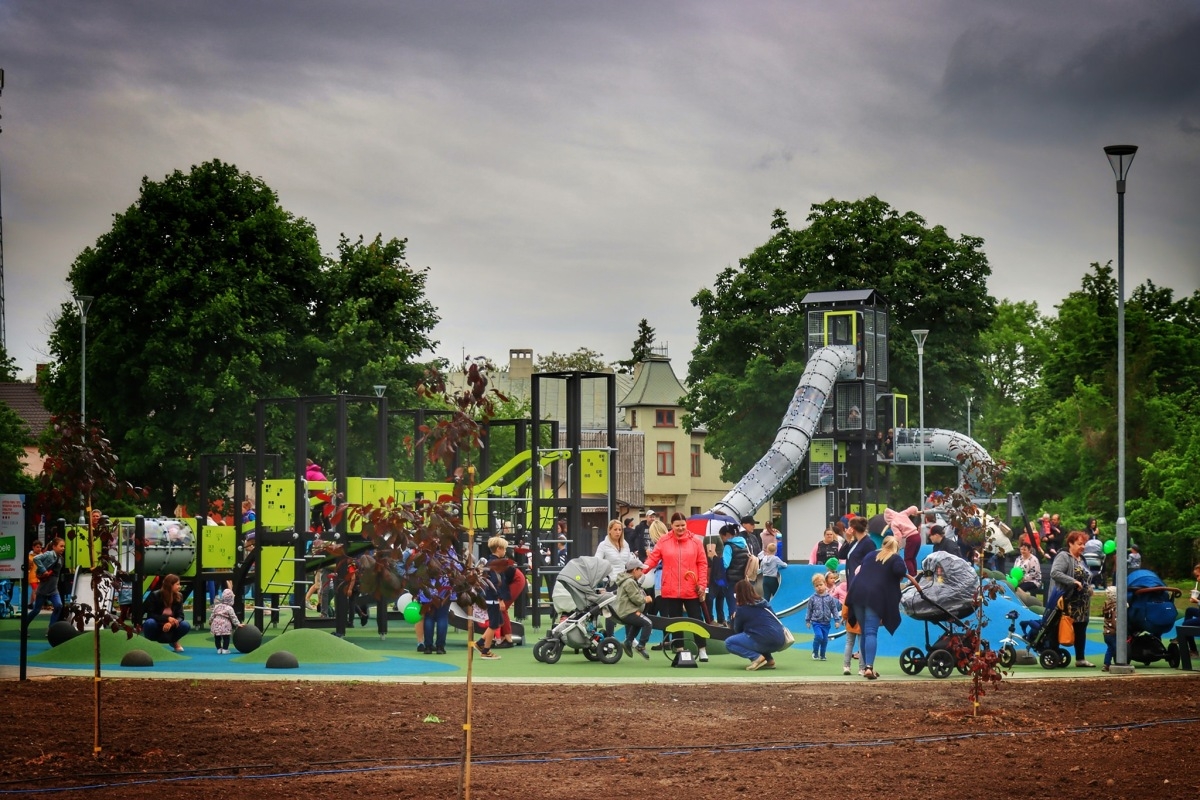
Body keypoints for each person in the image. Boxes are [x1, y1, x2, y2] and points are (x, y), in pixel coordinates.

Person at [643, 512, 709, 661]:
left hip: (691, 587)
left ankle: (702, 649)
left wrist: (702, 584)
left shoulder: (696, 541)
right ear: (671, 526)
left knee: (696, 620)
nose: (680, 528)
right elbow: (653, 559)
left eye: (683, 525)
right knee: (676, 620)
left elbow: (702, 564)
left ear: (686, 524)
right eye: (677, 525)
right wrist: (639, 570)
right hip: (671, 589)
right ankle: (679, 649)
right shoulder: (664, 541)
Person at [845, 536, 908, 680]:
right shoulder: (895, 558)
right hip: (875, 596)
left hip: (857, 593)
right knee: (871, 632)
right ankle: (869, 668)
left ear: (883, 544)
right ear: (896, 548)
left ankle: (865, 667)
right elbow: (900, 572)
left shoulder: (870, 555)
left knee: (864, 631)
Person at [1048, 530, 1096, 668]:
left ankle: (1080, 659)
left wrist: (1089, 588)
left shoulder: (1083, 559)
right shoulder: (1064, 556)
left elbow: (1087, 577)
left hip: (1082, 603)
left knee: (1081, 629)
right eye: (1079, 544)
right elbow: (1055, 573)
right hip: (1067, 600)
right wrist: (1072, 581)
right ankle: (1054, 655)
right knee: (1059, 627)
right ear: (1070, 543)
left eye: (1084, 544)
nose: (1083, 547)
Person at [727, 579, 788, 671]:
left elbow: (737, 629)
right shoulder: (763, 603)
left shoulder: (742, 608)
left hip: (764, 640)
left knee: (729, 642)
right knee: (759, 633)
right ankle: (769, 660)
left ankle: (756, 657)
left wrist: (734, 618)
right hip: (780, 640)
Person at [613, 556, 653, 659]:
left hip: (626, 611)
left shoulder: (627, 580)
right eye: (641, 570)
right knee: (648, 624)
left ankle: (628, 641)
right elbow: (636, 598)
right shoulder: (629, 582)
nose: (642, 573)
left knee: (638, 623)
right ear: (635, 570)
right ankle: (641, 646)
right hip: (628, 612)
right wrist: (646, 599)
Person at [142, 573, 191, 652]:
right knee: (149, 623)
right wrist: (167, 618)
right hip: (157, 624)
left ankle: (174, 640)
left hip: (171, 626)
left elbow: (181, 616)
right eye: (177, 584)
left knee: (185, 625)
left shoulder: (179, 596)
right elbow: (151, 614)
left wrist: (171, 623)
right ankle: (148, 643)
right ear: (170, 585)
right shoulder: (155, 595)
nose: (180, 586)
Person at [25, 537, 65, 626]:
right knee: (36, 610)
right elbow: (36, 559)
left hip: (53, 590)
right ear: (54, 546)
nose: (63, 548)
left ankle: (51, 628)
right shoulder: (49, 554)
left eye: (64, 546)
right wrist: (43, 570)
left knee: (59, 606)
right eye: (61, 546)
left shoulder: (61, 559)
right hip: (43, 589)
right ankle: (24, 626)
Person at [805, 572, 841, 661]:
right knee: (819, 636)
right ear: (814, 587)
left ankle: (822, 654)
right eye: (816, 586)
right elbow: (809, 610)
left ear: (825, 584)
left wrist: (837, 620)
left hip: (826, 622)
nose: (819, 587)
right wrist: (808, 620)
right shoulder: (812, 598)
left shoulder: (829, 598)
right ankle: (815, 652)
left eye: (820, 585)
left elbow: (834, 609)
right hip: (816, 622)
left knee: (825, 640)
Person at [719, 523, 752, 620]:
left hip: (731, 580)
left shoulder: (728, 547)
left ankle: (733, 623)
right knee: (742, 602)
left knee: (732, 603)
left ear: (727, 535)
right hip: (742, 578)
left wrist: (716, 558)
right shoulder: (744, 544)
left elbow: (725, 564)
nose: (722, 539)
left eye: (722, 537)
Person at [839, 517, 875, 589]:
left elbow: (871, 563)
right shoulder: (855, 542)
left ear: (853, 529)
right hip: (851, 579)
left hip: (861, 582)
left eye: (849, 527)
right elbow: (841, 555)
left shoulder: (868, 543)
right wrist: (847, 540)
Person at [885, 505, 921, 575]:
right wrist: (915, 511)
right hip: (917, 536)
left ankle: (912, 576)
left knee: (907, 559)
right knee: (913, 557)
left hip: (911, 538)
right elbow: (911, 509)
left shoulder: (893, 523)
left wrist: (897, 547)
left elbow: (898, 536)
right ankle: (915, 575)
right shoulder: (902, 514)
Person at [210, 588, 243, 654]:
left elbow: (213, 615)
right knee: (226, 637)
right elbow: (233, 617)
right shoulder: (229, 608)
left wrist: (210, 621)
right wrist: (238, 624)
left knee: (217, 637)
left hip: (216, 623)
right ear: (231, 599)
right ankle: (225, 649)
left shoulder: (217, 606)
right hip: (225, 624)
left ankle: (219, 649)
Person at [704, 539, 727, 625]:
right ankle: (710, 619)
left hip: (718, 570)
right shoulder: (712, 535)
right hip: (713, 570)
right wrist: (719, 563)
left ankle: (721, 618)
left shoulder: (717, 535)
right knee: (710, 595)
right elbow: (710, 553)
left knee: (721, 594)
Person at [1101, 585, 1117, 672]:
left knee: (1110, 648)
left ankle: (1106, 664)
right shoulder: (1115, 607)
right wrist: (1119, 629)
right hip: (1113, 632)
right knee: (1116, 648)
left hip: (1106, 632)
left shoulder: (1106, 605)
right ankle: (1117, 662)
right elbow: (1115, 620)